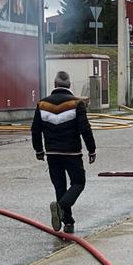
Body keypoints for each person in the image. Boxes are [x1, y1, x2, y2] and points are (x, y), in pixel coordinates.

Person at [32, 69, 96, 233]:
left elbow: (35, 130)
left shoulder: (42, 104)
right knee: (78, 182)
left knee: (60, 187)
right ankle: (62, 207)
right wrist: (91, 150)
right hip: (72, 153)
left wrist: (39, 150)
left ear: (55, 85)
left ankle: (68, 222)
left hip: (52, 154)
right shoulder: (76, 104)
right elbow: (85, 129)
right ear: (69, 85)